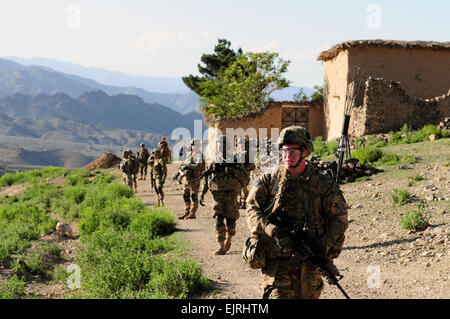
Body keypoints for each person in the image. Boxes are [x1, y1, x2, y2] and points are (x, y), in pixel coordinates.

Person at [245, 126, 348, 299]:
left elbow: (340, 219)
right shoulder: (269, 179)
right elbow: (252, 209)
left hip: (309, 266)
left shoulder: (322, 183)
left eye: (293, 151)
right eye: (284, 151)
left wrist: (323, 245)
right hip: (276, 265)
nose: (287, 156)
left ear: (305, 151)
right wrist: (272, 229)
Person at [200, 135, 248, 255]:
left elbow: (245, 178)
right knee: (218, 219)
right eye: (219, 145)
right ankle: (221, 246)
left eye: (223, 146)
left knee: (231, 221)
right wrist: (203, 192)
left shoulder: (235, 160)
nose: (221, 148)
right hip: (217, 195)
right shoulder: (213, 161)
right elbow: (208, 178)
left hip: (231, 194)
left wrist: (231, 169)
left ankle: (229, 239)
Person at [178, 138, 206, 220]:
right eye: (193, 145)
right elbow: (185, 163)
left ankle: (193, 213)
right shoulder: (190, 154)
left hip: (195, 178)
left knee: (193, 196)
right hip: (187, 179)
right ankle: (186, 211)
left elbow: (199, 166)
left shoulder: (199, 155)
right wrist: (183, 168)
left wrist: (188, 165)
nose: (194, 147)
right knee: (185, 195)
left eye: (196, 145)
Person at [236, 136, 256, 209]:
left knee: (244, 188)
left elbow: (252, 165)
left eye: (242, 144)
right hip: (237, 173)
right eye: (239, 144)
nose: (240, 145)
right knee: (237, 187)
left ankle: (244, 202)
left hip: (245, 173)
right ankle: (238, 202)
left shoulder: (248, 154)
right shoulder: (238, 152)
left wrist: (245, 169)